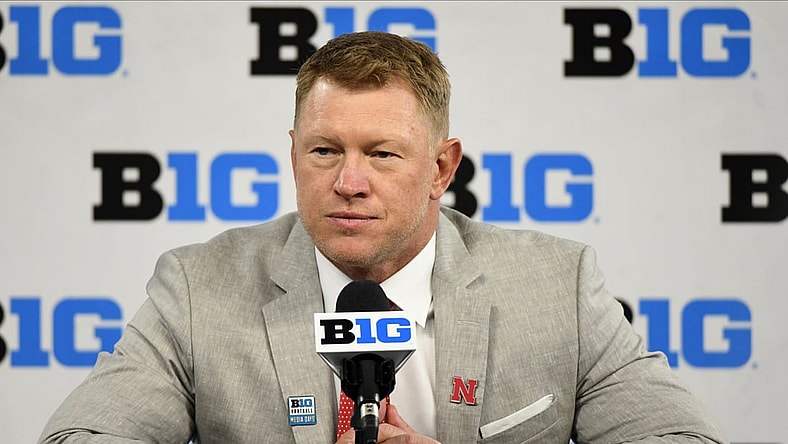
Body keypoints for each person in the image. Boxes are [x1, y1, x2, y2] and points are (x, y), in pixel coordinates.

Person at [39, 31, 727, 444]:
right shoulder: (198, 289)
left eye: (382, 154)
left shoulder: (557, 287)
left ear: (441, 169)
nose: (348, 182)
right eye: (324, 151)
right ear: (293, 156)